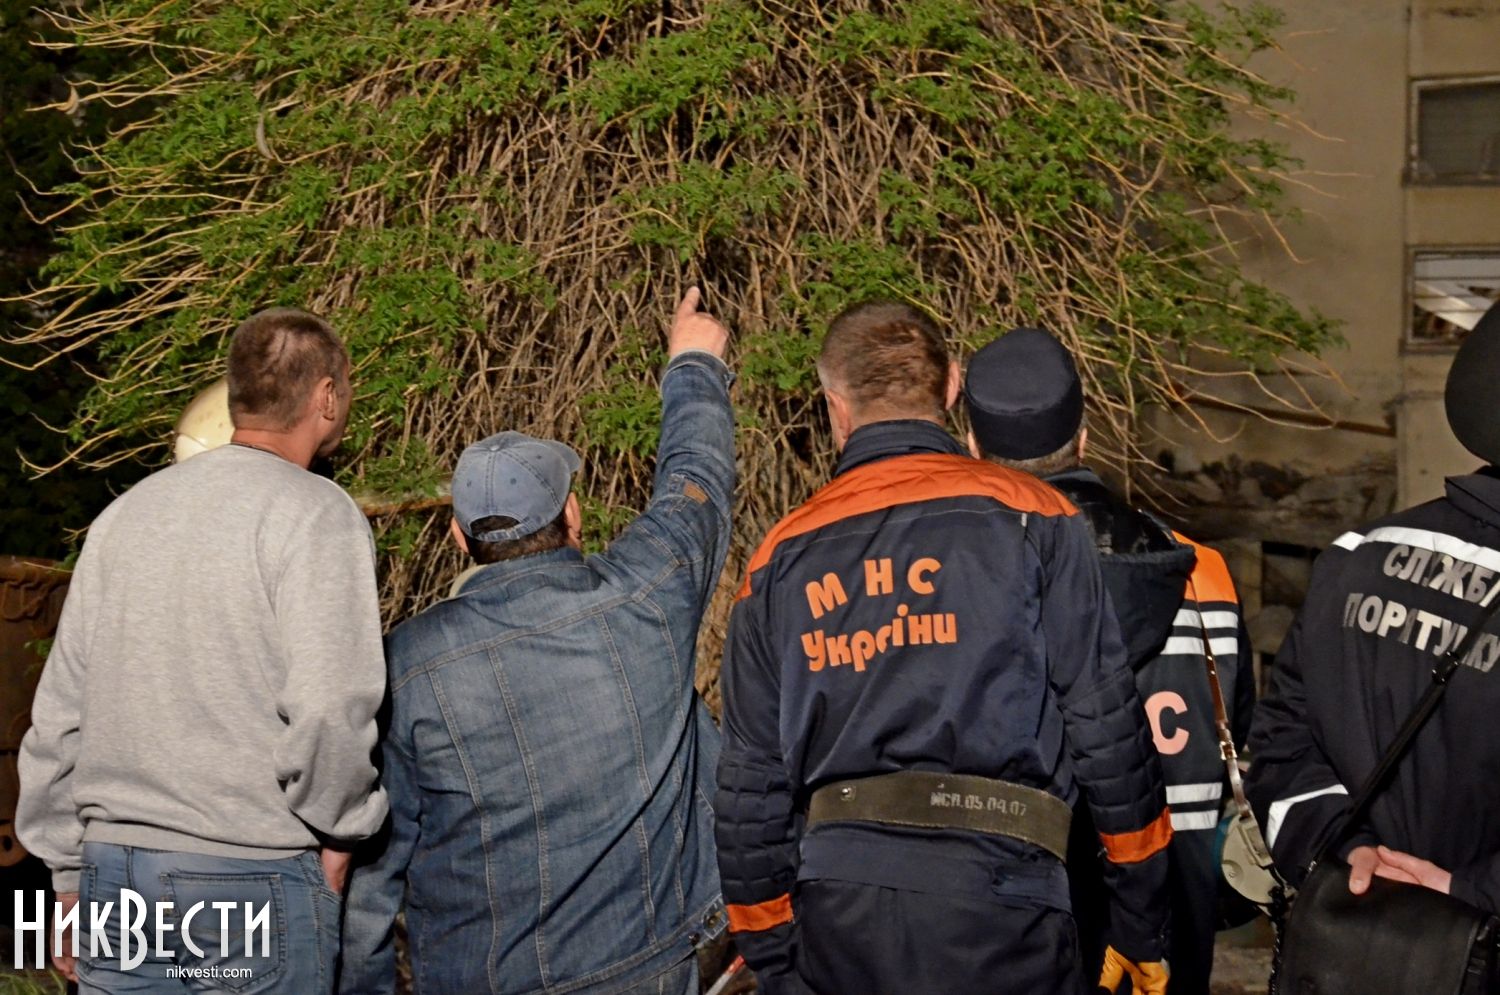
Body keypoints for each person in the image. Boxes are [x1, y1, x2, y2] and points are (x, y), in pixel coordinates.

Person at [714, 301, 1173, 995]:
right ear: (954, 385)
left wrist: (776, 957)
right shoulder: (1036, 515)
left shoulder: (779, 557)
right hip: (1007, 901)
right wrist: (1139, 919)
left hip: (841, 912)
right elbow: (1105, 725)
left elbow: (751, 781)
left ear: (835, 406)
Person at [339, 288, 735, 995]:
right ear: (572, 513)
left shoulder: (407, 666)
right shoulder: (650, 593)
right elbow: (695, 481)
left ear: (458, 536)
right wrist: (693, 365)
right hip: (658, 968)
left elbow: (374, 873)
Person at [17, 307, 389, 992]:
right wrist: (342, 832)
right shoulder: (316, 513)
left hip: (113, 876)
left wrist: (65, 873)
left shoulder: (124, 515)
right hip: (247, 872)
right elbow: (329, 704)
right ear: (326, 396)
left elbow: (61, 712)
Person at [963, 327, 1256, 995]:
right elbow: (1237, 744)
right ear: (1085, 437)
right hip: (1170, 942)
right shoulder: (1205, 572)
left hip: (1019, 934)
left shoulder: (964, 584)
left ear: (973, 447)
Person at [1246, 300, 1500, 945]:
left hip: (1353, 937)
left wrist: (1346, 852)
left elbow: (1280, 743)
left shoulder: (1358, 554)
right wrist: (1471, 894)